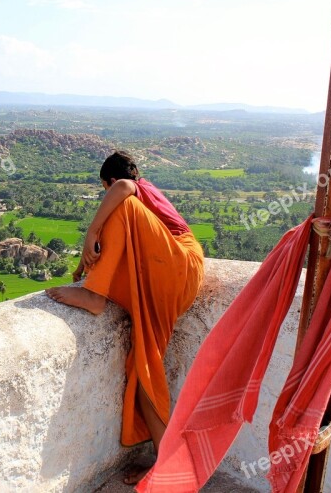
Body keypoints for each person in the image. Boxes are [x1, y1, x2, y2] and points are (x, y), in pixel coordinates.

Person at [46, 150, 204, 485]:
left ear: (108, 181)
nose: (108, 194)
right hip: (172, 274)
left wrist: (92, 231)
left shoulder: (134, 188)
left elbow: (122, 191)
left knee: (121, 207)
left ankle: (94, 296)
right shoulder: (142, 200)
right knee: (143, 365)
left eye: (105, 189)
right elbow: (123, 250)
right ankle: (165, 459)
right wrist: (82, 269)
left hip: (179, 265)